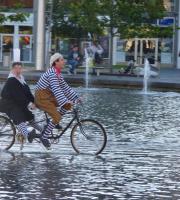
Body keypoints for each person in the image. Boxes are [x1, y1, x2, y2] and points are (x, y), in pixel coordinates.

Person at [35, 53, 80, 148]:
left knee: (67, 106)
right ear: (56, 62)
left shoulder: (57, 73)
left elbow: (65, 87)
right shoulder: (52, 73)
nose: (64, 61)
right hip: (41, 97)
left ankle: (54, 122)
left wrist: (76, 97)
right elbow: (56, 89)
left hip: (48, 96)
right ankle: (44, 137)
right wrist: (65, 100)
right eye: (62, 60)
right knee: (57, 116)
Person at [0, 62, 42, 142]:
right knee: (18, 117)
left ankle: (42, 131)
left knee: (29, 116)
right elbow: (18, 95)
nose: (18, 70)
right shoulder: (11, 80)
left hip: (17, 103)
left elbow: (27, 93)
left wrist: (35, 103)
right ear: (12, 69)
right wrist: (30, 104)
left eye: (20, 68)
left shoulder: (21, 79)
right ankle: (27, 135)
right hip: (8, 104)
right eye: (16, 68)